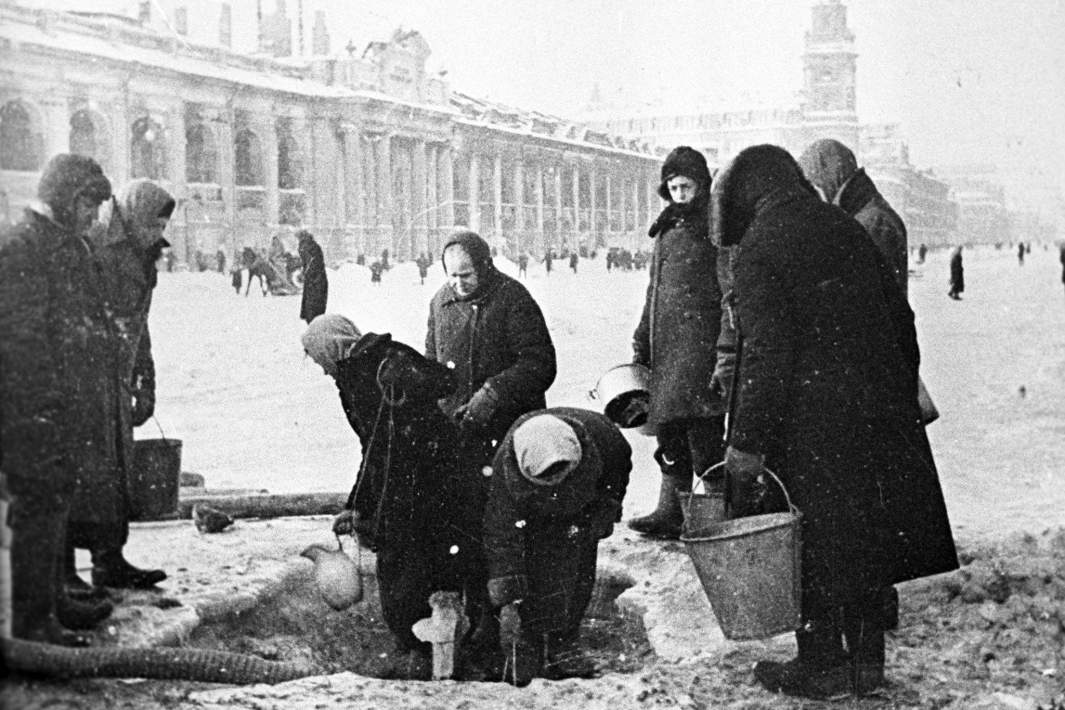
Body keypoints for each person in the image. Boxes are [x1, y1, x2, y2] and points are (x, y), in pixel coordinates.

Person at [712, 145, 958, 699]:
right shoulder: (841, 227)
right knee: (868, 539)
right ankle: (867, 665)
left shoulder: (760, 247)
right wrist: (889, 393)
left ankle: (821, 663)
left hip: (809, 428)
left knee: (812, 543)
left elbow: (767, 356)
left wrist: (747, 445)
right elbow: (902, 319)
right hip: (872, 417)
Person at [302, 314, 483, 680]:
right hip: (400, 482)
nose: (322, 369)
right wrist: (356, 504)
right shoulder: (348, 379)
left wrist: (407, 376)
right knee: (403, 566)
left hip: (436, 474)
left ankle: (447, 651)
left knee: (430, 563)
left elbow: (446, 380)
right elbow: (371, 445)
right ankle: (417, 648)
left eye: (318, 357)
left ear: (332, 345)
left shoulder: (389, 355)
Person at [0, 154, 114, 645]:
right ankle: (33, 619)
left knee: (56, 494)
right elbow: (21, 337)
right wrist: (40, 403)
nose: (95, 216)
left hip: (59, 400)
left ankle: (52, 599)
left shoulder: (60, 244)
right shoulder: (24, 246)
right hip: (31, 404)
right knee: (37, 502)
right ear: (69, 199)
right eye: (91, 204)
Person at [67, 179, 174, 594]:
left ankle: (110, 559)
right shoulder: (94, 246)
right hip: (86, 378)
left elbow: (140, 322)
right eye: (154, 223)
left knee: (117, 472)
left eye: (163, 225)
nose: (158, 232)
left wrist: (145, 376)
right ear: (133, 216)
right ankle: (66, 571)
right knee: (84, 472)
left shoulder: (142, 253)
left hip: (118, 379)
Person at [483, 408, 631, 686]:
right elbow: (502, 536)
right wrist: (507, 602)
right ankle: (526, 637)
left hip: (584, 504)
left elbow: (616, 480)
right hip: (533, 511)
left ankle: (565, 639)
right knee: (536, 561)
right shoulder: (507, 465)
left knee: (578, 562)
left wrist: (604, 512)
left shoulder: (607, 441)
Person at [628, 146, 725, 540]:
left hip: (700, 351)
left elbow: (726, 286)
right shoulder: (666, 228)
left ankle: (718, 520)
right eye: (674, 187)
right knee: (669, 433)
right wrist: (641, 336)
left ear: (702, 186)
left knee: (704, 437)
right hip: (666, 349)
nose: (681, 194)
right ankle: (672, 512)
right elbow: (654, 289)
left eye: (687, 186)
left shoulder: (715, 227)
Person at [425, 230, 556, 468]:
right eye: (452, 275)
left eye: (466, 275)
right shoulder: (439, 302)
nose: (458, 283)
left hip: (508, 428)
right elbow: (432, 361)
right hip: (458, 430)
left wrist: (493, 393)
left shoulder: (513, 298)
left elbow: (540, 363)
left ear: (484, 266)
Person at [799, 138, 908, 296]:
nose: (816, 193)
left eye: (817, 184)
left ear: (830, 176)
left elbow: (870, 299)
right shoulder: (864, 215)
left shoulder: (872, 222)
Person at [297, 230, 328, 323]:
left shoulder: (308, 246)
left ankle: (313, 321)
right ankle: (314, 320)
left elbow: (311, 263)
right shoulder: (311, 245)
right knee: (315, 303)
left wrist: (306, 272)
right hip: (316, 278)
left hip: (315, 279)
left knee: (313, 303)